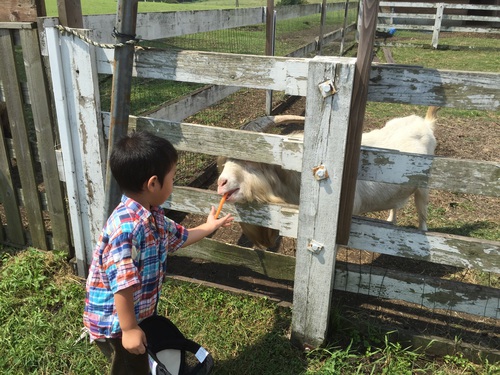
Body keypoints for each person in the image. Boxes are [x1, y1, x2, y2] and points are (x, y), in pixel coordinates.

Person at [83, 130, 233, 374]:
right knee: (133, 364)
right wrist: (130, 329)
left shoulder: (153, 214)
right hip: (116, 321)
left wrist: (209, 226)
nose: (173, 185)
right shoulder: (127, 228)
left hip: (136, 314)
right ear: (153, 183)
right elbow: (122, 284)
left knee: (137, 362)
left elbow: (179, 237)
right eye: (172, 178)